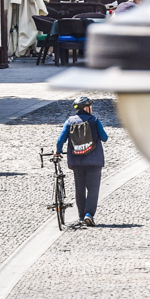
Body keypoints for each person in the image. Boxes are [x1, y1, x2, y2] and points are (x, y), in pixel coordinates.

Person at [54, 95, 109, 228]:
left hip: (77, 161)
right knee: (93, 188)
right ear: (87, 108)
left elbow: (60, 140)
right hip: (94, 160)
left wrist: (58, 151)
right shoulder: (94, 120)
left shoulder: (69, 122)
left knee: (80, 188)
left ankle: (80, 215)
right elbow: (104, 137)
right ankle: (88, 214)